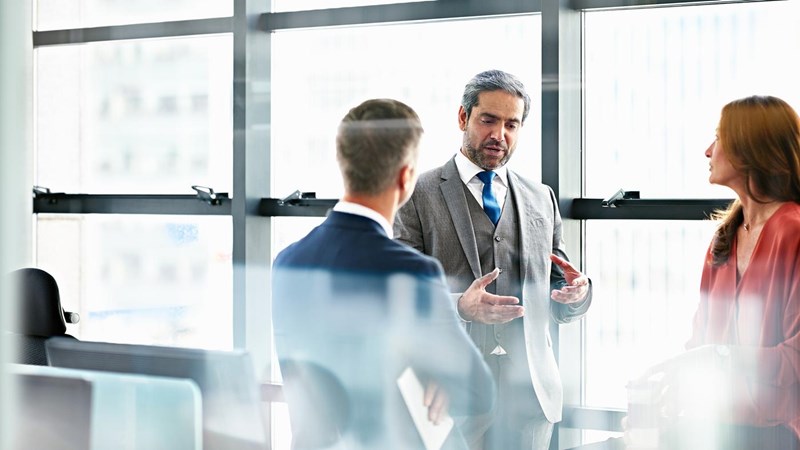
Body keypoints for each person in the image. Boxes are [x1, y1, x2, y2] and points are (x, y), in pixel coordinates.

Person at [272, 98, 498, 450]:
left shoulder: (287, 262)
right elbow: (478, 390)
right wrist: (440, 377)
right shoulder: (409, 271)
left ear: (342, 163)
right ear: (406, 177)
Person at [394, 69, 592, 450]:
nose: (499, 135)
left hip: (530, 398)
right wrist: (460, 307)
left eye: (511, 124)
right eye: (488, 120)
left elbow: (560, 285)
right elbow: (400, 296)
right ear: (463, 117)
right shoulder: (417, 193)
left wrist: (576, 294)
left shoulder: (541, 197)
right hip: (449, 392)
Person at [632, 95, 800, 450]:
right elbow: (700, 341)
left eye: (719, 137)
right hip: (715, 427)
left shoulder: (794, 231)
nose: (709, 151)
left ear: (749, 148)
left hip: (778, 434)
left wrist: (721, 357)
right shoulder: (724, 238)